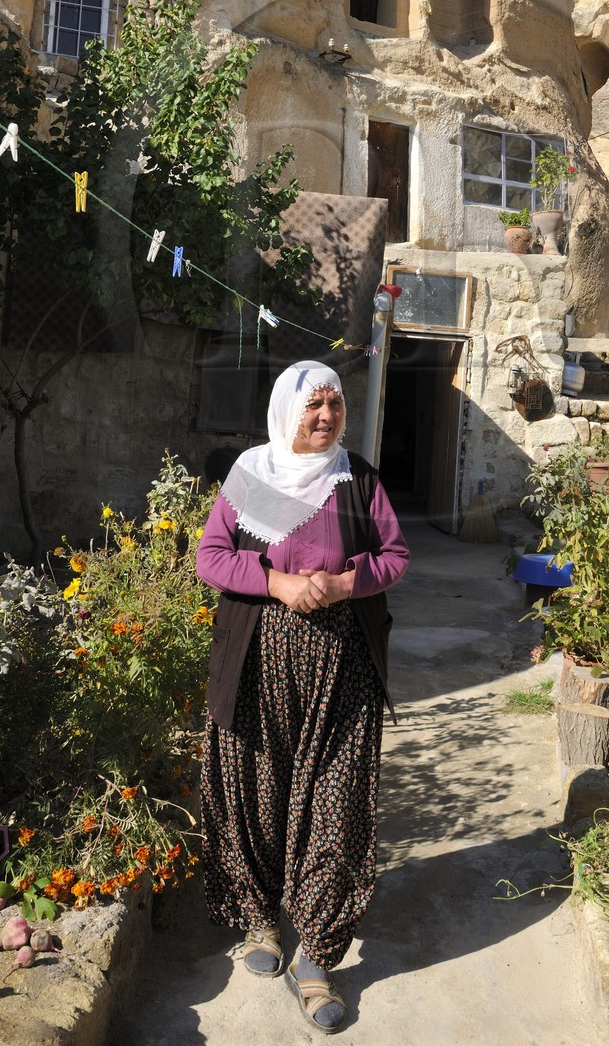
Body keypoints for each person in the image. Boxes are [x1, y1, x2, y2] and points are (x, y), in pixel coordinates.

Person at [195, 358, 410, 1035]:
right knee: (257, 792)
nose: (324, 417)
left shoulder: (358, 480)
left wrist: (346, 583)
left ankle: (315, 955)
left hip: (341, 667)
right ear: (287, 412)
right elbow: (211, 557)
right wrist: (278, 583)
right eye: (312, 406)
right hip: (258, 658)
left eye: (334, 406)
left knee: (336, 800)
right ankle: (261, 921)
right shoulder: (251, 477)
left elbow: (396, 555)